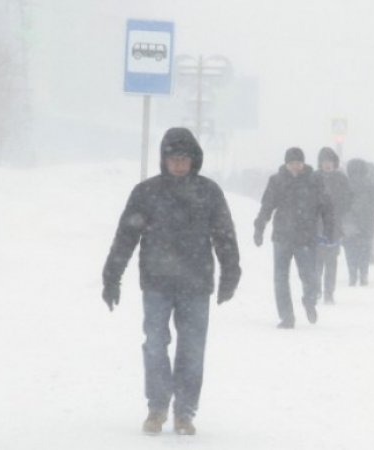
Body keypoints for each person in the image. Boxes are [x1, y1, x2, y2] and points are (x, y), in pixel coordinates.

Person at [102, 127, 241, 436]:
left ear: (194, 160)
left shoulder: (209, 192)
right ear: (163, 160)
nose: (179, 164)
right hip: (156, 282)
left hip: (196, 283)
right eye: (173, 158)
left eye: (184, 158)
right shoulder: (146, 192)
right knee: (154, 344)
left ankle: (185, 412)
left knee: (192, 349)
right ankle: (157, 406)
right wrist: (112, 274)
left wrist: (231, 271)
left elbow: (224, 235)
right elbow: (126, 235)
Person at [254, 147, 334, 328]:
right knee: (280, 278)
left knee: (309, 276)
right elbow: (267, 206)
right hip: (282, 237)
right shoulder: (276, 181)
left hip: (306, 237)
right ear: (286, 164)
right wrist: (259, 227)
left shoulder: (314, 181)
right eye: (292, 163)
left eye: (298, 163)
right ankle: (287, 317)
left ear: (303, 163)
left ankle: (309, 300)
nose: (295, 167)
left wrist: (329, 229)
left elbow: (326, 207)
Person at [313, 147, 350, 304]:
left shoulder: (341, 179)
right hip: (316, 226)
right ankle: (315, 291)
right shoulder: (313, 178)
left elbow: (347, 200)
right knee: (316, 261)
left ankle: (329, 293)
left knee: (331, 261)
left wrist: (338, 211)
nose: (327, 165)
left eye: (330, 162)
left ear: (334, 163)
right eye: (324, 162)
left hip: (334, 226)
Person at [343, 159, 374, 286]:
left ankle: (352, 274)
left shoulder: (345, 184)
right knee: (364, 250)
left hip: (349, 223)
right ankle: (363, 274)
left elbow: (340, 203)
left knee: (350, 249)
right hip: (367, 222)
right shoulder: (370, 185)